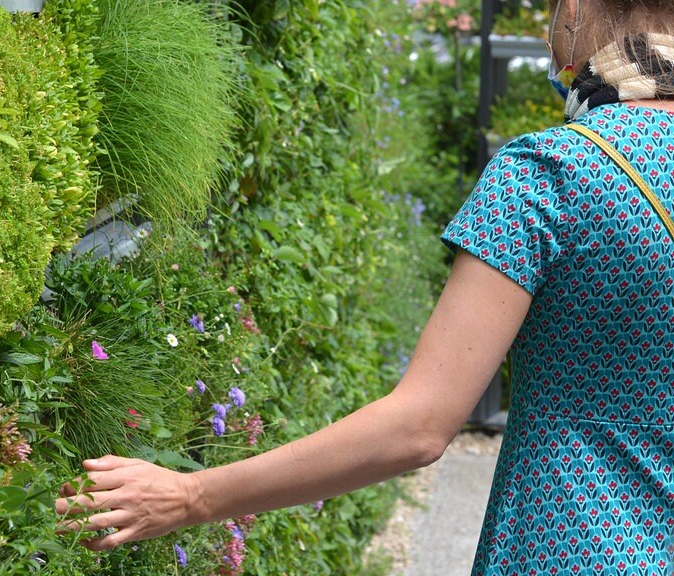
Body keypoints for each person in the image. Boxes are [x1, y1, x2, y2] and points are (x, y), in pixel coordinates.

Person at [56, 0, 674, 572]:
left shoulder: (552, 174)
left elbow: (419, 426)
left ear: (579, 10)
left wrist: (188, 494)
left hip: (571, 549)